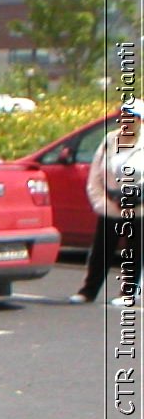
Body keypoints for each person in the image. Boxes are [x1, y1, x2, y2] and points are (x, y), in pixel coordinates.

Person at [72, 105, 142, 305]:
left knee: (134, 252)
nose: (127, 122)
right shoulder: (110, 141)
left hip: (139, 208)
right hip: (111, 205)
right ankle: (88, 291)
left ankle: (127, 294)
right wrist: (103, 203)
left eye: (133, 118)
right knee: (101, 252)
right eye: (124, 117)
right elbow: (95, 176)